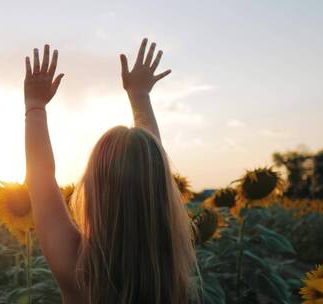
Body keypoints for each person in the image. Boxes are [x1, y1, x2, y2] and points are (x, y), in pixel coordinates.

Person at [24, 38, 197, 304]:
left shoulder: (77, 267)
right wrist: (140, 96)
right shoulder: (171, 262)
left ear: (92, 190)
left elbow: (40, 178)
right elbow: (151, 171)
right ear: (163, 193)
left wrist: (35, 107)